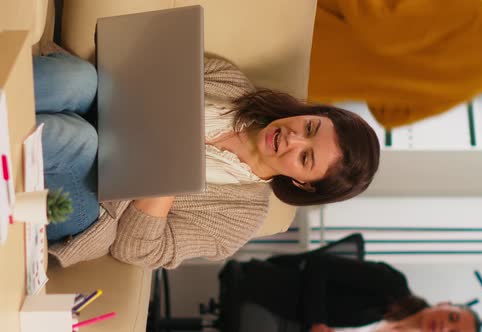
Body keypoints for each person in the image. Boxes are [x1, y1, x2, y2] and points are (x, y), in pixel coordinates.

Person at [34, 44, 380, 269]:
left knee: (80, 140)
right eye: (309, 127)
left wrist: (173, 164)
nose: (292, 138)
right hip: (100, 105)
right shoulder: (231, 86)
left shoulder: (239, 219)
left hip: (93, 201)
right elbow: (137, 60)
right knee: (75, 76)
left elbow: (137, 250)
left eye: (305, 158)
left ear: (303, 185)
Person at [308, 0, 482, 129]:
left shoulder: (467, 7)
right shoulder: (480, 80)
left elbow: (377, 23)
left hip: (299, 25)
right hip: (302, 86)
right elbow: (389, 115)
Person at [233, 254, 481, 332]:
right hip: (265, 289)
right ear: (446, 304)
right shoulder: (392, 285)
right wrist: (317, 322)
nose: (445, 327)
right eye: (453, 318)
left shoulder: (396, 327)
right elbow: (320, 265)